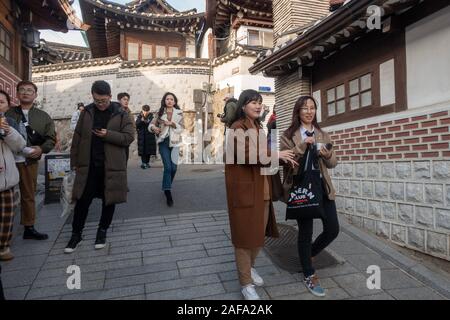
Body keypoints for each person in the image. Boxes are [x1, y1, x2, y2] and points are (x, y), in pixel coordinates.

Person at [224, 89, 297, 300]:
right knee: (244, 239)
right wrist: (276, 154)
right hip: (245, 192)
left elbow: (266, 157)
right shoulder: (236, 128)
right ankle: (246, 283)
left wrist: (283, 157)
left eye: (260, 103)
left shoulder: (258, 127)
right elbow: (246, 155)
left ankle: (250, 268)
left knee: (257, 238)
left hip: (262, 191)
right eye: (253, 102)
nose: (258, 106)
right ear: (243, 105)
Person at [64, 81, 134, 253]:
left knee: (109, 200)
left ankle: (102, 231)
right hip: (88, 167)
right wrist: (74, 164)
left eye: (103, 100)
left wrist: (107, 135)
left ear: (110, 96)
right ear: (92, 96)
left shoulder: (121, 113)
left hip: (111, 166)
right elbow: (77, 139)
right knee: (82, 201)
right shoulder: (87, 112)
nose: (100, 104)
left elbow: (128, 137)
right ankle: (76, 234)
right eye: (97, 100)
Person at [280, 95, 339, 297]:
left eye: (312, 107)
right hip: (302, 189)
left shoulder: (323, 133)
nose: (309, 111)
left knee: (333, 228)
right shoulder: (288, 134)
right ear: (298, 111)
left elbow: (333, 163)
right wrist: (303, 145)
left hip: (322, 187)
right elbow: (286, 162)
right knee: (305, 232)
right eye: (304, 108)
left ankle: (310, 254)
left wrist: (326, 154)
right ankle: (308, 273)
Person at [6, 81, 56, 241]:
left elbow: (51, 138)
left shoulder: (43, 116)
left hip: (29, 161)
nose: (25, 93)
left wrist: (41, 149)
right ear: (17, 93)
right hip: (8, 159)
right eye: (22, 90)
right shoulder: (8, 113)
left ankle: (29, 226)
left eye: (29, 90)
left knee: (28, 194)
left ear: (35, 95)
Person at [0, 90, 27, 261]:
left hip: (7, 178)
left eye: (1, 102)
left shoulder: (9, 122)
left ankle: (3, 246)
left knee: (7, 215)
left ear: (8, 105)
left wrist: (8, 131)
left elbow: (20, 145)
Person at [149, 92, 184, 207]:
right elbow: (151, 124)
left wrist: (173, 124)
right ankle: (167, 191)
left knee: (174, 168)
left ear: (174, 102)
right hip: (163, 142)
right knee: (168, 167)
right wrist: (154, 128)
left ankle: (167, 184)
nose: (169, 101)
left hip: (175, 142)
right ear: (164, 100)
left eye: (171, 99)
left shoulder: (179, 113)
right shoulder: (159, 113)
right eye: (167, 99)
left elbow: (182, 128)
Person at [135, 105, 156, 169]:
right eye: (144, 111)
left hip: (149, 136)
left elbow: (152, 124)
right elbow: (137, 125)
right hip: (142, 136)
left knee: (148, 150)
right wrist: (141, 121)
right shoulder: (139, 116)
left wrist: (146, 122)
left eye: (147, 111)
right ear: (142, 110)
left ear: (149, 111)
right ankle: (143, 163)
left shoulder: (151, 117)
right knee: (142, 150)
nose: (145, 112)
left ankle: (147, 163)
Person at [117, 92, 136, 164]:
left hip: (126, 142)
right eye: (124, 99)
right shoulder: (115, 111)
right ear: (119, 100)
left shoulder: (129, 113)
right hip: (116, 141)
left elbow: (133, 127)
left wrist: (130, 138)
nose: (126, 101)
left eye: (127, 100)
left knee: (124, 163)